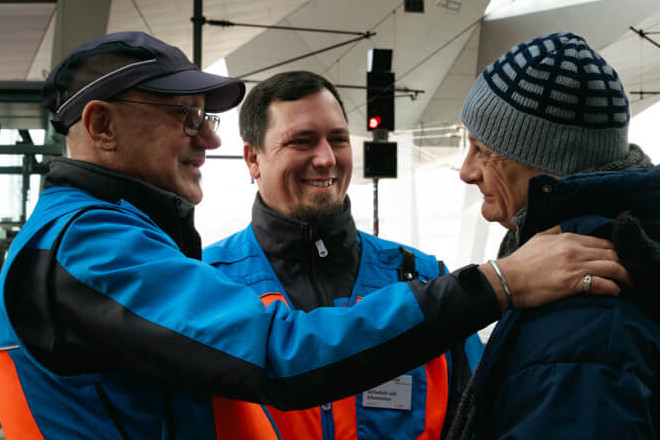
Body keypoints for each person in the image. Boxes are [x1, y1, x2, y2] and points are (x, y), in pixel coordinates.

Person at [0, 31, 626, 440]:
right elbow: (280, 353)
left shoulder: (423, 276)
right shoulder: (86, 248)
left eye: (338, 139)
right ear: (101, 125)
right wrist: (498, 283)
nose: (207, 138)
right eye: (185, 117)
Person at [203, 70, 485, 440]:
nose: (325, 158)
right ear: (252, 158)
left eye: (337, 139)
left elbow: (481, 420)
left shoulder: (426, 280)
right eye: (301, 142)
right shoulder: (207, 287)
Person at [449, 31, 660, 439]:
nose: (466, 171)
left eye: (482, 150)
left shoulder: (585, 311)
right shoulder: (628, 249)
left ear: (544, 163)